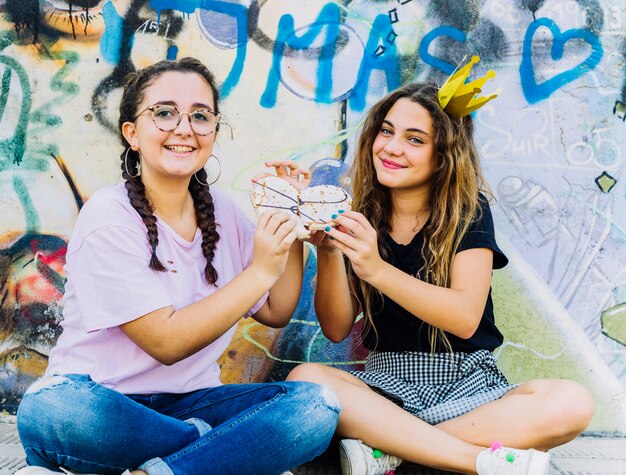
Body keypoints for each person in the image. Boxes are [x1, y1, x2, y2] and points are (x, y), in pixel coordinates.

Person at [16, 57, 340, 475]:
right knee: (50, 407)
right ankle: (218, 453)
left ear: (213, 132)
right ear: (132, 133)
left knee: (315, 405)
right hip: (102, 403)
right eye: (164, 113)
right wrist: (259, 271)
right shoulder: (108, 214)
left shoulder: (222, 213)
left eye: (200, 116)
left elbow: (275, 311)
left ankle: (161, 470)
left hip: (192, 401)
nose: (184, 128)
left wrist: (288, 220)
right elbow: (166, 342)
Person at [286, 81, 594, 475]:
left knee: (571, 402)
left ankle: (390, 454)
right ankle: (471, 460)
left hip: (467, 384)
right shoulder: (362, 214)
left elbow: (465, 317)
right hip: (385, 384)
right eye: (386, 130)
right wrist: (328, 252)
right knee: (306, 377)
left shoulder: (468, 211)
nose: (392, 147)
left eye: (414, 139)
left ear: (443, 156)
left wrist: (377, 269)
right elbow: (336, 327)